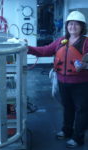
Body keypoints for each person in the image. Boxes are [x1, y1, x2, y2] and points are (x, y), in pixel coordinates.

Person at [28, 11, 88, 148]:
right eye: (70, 24)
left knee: (82, 110)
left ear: (82, 26)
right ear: (67, 26)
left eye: (76, 24)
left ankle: (78, 138)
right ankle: (67, 131)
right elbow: (45, 51)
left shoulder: (86, 42)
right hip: (63, 81)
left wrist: (85, 65)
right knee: (67, 108)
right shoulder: (61, 41)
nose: (73, 27)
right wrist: (27, 48)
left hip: (81, 83)